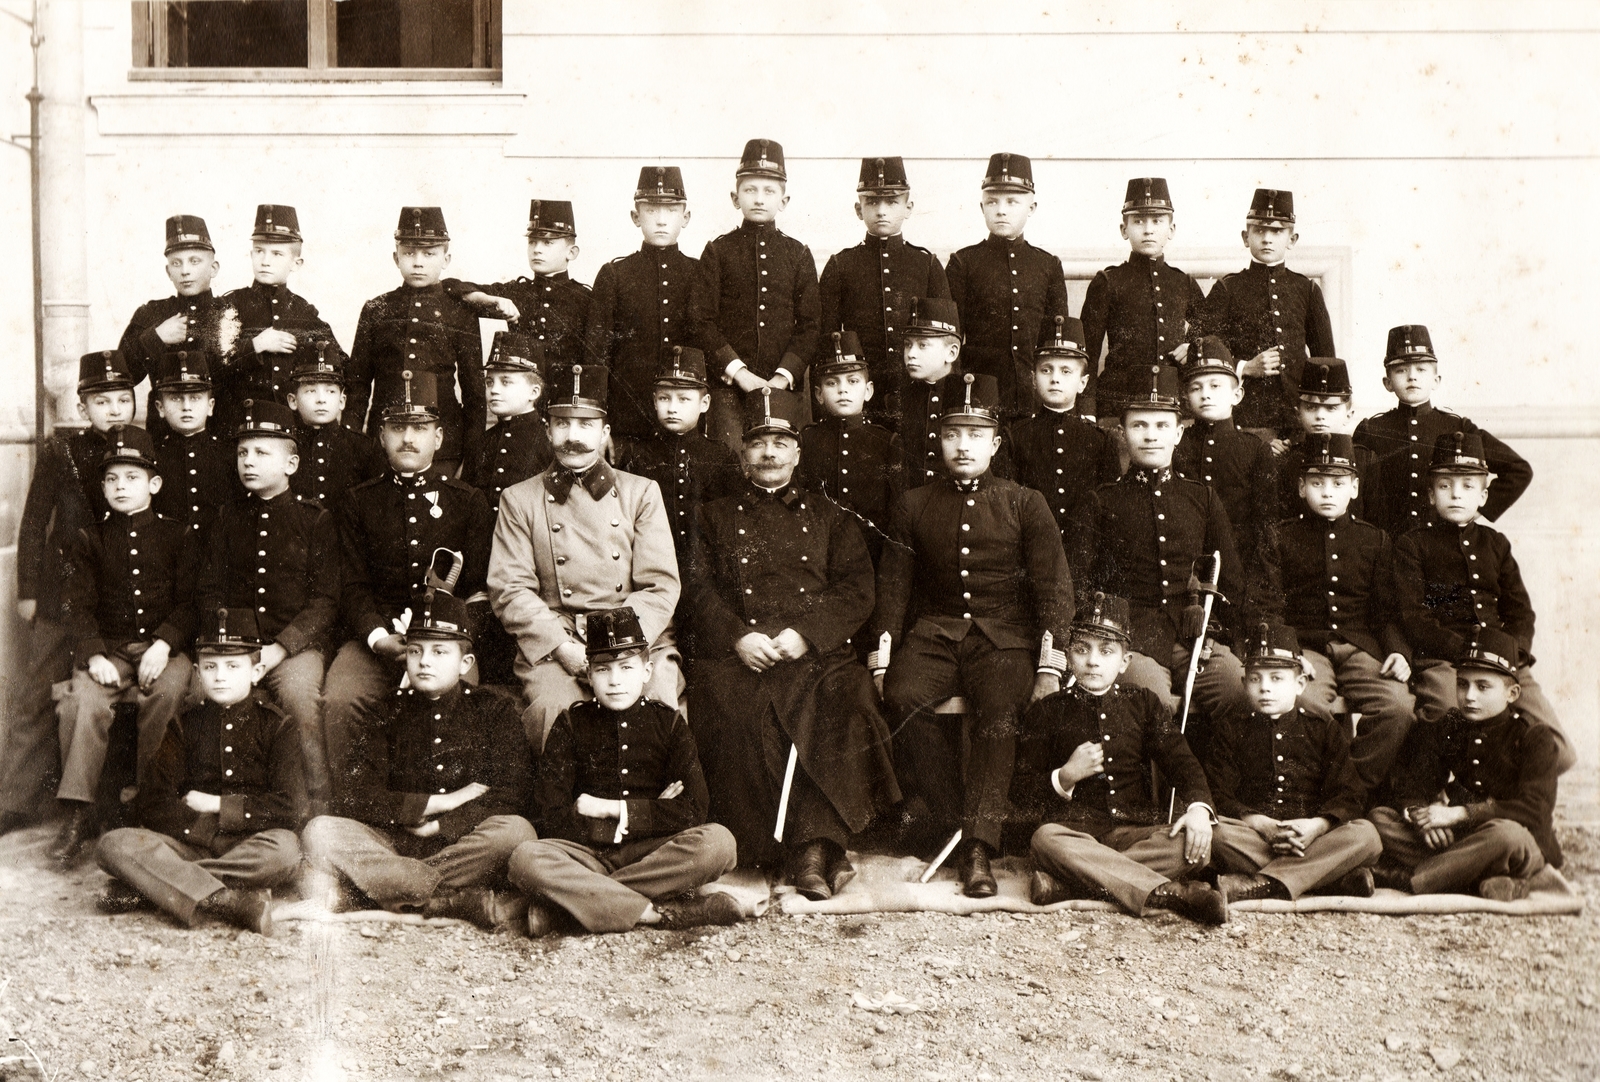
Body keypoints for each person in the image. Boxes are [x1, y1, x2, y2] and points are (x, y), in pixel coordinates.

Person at [685, 389, 900, 900]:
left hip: (815, 653)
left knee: (845, 706)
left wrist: (806, 635)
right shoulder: (713, 516)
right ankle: (788, 851)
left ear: (797, 453)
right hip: (741, 653)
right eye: (758, 443)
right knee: (740, 716)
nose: (769, 454)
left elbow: (856, 589)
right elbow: (695, 587)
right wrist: (738, 637)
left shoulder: (832, 516)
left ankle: (811, 849)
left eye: (780, 442)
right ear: (743, 453)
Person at [874, 374, 1073, 897]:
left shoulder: (1025, 503)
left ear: (995, 443)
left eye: (975, 434)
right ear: (939, 441)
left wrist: (1051, 663)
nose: (963, 445)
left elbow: (1055, 588)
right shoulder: (914, 503)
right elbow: (894, 586)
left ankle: (979, 847)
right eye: (952, 434)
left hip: (1005, 638)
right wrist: (883, 656)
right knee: (901, 695)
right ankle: (955, 821)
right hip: (935, 634)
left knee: (1002, 706)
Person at [303, 588, 536, 929]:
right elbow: (358, 795)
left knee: (517, 832)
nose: (425, 661)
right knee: (319, 831)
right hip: (393, 844)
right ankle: (451, 900)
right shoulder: (384, 711)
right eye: (416, 651)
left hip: (460, 846)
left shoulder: (494, 710)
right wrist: (435, 804)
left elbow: (511, 792)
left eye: (440, 651)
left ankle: (375, 893)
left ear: (465, 663)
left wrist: (446, 825)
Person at [509, 607, 741, 936]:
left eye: (627, 667)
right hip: (587, 855)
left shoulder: (669, 723)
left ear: (647, 670)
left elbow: (693, 809)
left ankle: (569, 909)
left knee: (718, 843)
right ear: (588, 674)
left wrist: (611, 809)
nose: (615, 680)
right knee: (526, 857)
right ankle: (658, 913)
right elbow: (552, 812)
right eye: (603, 669)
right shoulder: (571, 723)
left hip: (654, 854)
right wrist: (653, 812)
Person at [488, 364, 682, 746]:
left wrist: (615, 649)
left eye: (585, 424)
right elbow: (510, 589)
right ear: (547, 430)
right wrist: (565, 648)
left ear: (605, 432)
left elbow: (660, 585)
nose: (572, 437)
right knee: (554, 712)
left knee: (656, 702)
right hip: (558, 639)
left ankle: (651, 807)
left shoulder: (641, 492)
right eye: (562, 424)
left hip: (638, 640)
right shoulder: (518, 498)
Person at [324, 369, 494, 794]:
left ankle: (448, 808)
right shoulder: (359, 501)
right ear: (380, 437)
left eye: (420, 428)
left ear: (438, 437)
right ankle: (355, 807)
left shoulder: (468, 501)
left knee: (457, 702)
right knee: (340, 701)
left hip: (445, 638)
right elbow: (352, 585)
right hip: (377, 636)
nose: (408, 439)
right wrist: (379, 638)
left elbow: (479, 590)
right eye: (397, 427)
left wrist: (444, 643)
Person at [1015, 592, 1229, 924]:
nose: (1093, 661)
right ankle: (1169, 893)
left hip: (1134, 834)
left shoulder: (1144, 703)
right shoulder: (1048, 711)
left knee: (1196, 840)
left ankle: (1075, 883)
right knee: (1044, 840)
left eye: (1106, 651)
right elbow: (1022, 792)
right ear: (1069, 656)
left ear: (1125, 661)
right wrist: (1066, 776)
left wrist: (1199, 809)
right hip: (1076, 835)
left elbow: (1182, 762)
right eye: (1082, 649)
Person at [93, 606, 303, 936]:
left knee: (285, 851)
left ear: (256, 670)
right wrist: (207, 833)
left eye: (233, 666)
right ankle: (229, 900)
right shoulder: (185, 723)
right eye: (210, 667)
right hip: (192, 840)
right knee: (113, 844)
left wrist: (220, 807)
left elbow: (290, 807)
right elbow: (153, 800)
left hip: (251, 844)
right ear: (197, 672)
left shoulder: (278, 726)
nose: (220, 676)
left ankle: (148, 889)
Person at [1083, 365, 1251, 752]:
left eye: (1161, 426)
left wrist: (1232, 641)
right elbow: (1084, 581)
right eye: (1140, 425)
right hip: (1133, 638)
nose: (1151, 435)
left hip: (1196, 635)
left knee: (1239, 691)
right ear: (1123, 433)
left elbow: (1232, 581)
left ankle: (1217, 795)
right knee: (1151, 701)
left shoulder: (1201, 497)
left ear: (1178, 433)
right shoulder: (1102, 500)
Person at [49, 425, 197, 864]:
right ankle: (77, 812)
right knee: (82, 704)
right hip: (108, 650)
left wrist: (164, 644)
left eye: (131, 478)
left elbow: (192, 602)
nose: (120, 487)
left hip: (161, 649)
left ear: (154, 484)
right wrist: (94, 653)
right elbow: (76, 605)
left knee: (167, 694)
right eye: (111, 479)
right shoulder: (88, 538)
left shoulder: (179, 535)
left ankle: (149, 804)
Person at [2, 351, 136, 836]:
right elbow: (36, 521)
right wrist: (29, 590)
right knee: (39, 692)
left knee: (99, 698)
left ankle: (103, 806)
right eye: (102, 401)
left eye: (123, 399)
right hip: (62, 596)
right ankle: (16, 800)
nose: (114, 410)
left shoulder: (142, 449)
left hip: (117, 600)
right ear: (83, 408)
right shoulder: (62, 454)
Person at [1393, 432, 1574, 771]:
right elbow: (1414, 617)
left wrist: (1512, 653)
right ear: (1431, 494)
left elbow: (1520, 610)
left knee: (1557, 750)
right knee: (1446, 715)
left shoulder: (1496, 543)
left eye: (1467, 485)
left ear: (1483, 494)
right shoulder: (1412, 545)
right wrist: (1464, 650)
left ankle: (1499, 804)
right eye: (1445, 486)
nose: (1456, 494)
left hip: (1501, 659)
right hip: (1444, 661)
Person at [198, 398, 341, 815]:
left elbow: (325, 601)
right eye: (243, 452)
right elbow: (209, 590)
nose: (249, 461)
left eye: (262, 452)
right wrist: (231, 648)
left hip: (293, 648)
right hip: (233, 647)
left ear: (291, 464)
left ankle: (316, 811)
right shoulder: (226, 517)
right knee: (197, 695)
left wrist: (281, 647)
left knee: (299, 698)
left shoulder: (314, 520)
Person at [1256, 433, 1417, 792]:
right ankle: (1313, 794)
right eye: (1317, 482)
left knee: (1397, 708)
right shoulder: (1280, 536)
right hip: (1306, 648)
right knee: (1302, 703)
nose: (1327, 492)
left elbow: (1387, 611)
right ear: (1300, 487)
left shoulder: (1375, 540)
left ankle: (1349, 790)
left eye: (1338, 482)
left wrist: (1398, 652)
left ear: (1355, 487)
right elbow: (1267, 606)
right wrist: (1289, 654)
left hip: (1361, 646)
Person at [1369, 628, 1563, 900]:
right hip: (1463, 841)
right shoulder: (1451, 726)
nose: (1469, 696)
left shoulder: (1535, 737)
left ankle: (1409, 880)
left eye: (1483, 687)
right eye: (1462, 684)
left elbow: (1534, 810)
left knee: (1504, 835)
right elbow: (1415, 782)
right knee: (1381, 819)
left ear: (1512, 693)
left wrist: (1460, 814)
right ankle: (1474, 880)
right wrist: (1421, 816)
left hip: (1517, 842)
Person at [1207, 623, 1383, 903]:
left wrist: (1317, 827)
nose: (1265, 688)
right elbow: (1219, 793)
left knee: (1368, 836)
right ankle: (1327, 879)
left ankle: (1262, 883)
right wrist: (1261, 824)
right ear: (1243, 683)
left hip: (1310, 838)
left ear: (1299, 683)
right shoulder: (1230, 725)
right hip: (1254, 838)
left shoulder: (1321, 725)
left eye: (1277, 679)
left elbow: (1349, 793)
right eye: (1255, 679)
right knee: (1216, 836)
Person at [692, 139, 821, 449]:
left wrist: (782, 377)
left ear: (784, 200)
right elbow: (702, 320)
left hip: (786, 390)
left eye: (769, 191)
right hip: (729, 391)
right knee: (734, 465)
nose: (760, 199)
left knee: (782, 462)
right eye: (750, 190)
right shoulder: (718, 251)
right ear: (736, 198)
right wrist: (740, 374)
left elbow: (810, 325)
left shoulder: (798, 254)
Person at [1353, 325, 1532, 538]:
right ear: (1388, 383)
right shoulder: (1371, 430)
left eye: (1421, 370)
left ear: (1436, 380)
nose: (1412, 377)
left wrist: (1478, 509)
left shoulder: (1457, 428)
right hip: (1387, 545)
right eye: (1401, 370)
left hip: (1442, 546)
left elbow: (1519, 470)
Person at [347, 206, 484, 475]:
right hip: (383, 443)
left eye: (429, 253)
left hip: (444, 448)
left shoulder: (459, 310)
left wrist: (472, 456)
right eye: (409, 253)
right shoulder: (376, 308)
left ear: (446, 259)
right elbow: (358, 385)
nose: (418, 262)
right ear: (396, 258)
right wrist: (353, 444)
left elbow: (474, 391)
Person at [816, 156, 951, 430]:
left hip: (917, 393)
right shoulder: (841, 265)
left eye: (892, 202)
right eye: (872, 202)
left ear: (908, 207)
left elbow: (946, 340)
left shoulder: (926, 265)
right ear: (858, 209)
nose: (881, 211)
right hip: (859, 397)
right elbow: (825, 343)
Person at [1196, 189, 1335, 439]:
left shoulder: (1307, 289)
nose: (1267, 238)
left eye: (1277, 231)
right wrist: (1244, 367)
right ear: (1245, 237)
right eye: (1259, 230)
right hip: (1246, 419)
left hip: (1299, 420)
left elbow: (1326, 360)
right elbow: (1202, 349)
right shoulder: (1228, 288)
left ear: (1292, 240)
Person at [585, 166, 709, 443]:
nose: (661, 220)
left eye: (672, 210)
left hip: (687, 421)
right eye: (651, 210)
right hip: (627, 418)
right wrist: (597, 422)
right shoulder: (615, 274)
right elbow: (596, 355)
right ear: (635, 216)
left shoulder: (700, 273)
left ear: (686, 217)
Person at [945, 153, 1069, 421]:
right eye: (992, 202)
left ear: (1031, 208)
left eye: (1013, 201)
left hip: (1032, 398)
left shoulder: (1047, 265)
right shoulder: (963, 263)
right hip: (977, 394)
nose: (1001, 210)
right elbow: (950, 342)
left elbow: (1056, 342)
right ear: (982, 208)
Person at [1079, 180, 1207, 419]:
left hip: (1173, 401)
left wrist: (1193, 346)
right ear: (1124, 229)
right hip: (1118, 403)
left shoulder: (1183, 282)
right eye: (1138, 221)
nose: (1148, 230)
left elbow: (1211, 329)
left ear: (1171, 229)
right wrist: (1087, 411)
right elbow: (1089, 353)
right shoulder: (1108, 281)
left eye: (1157, 221)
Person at [1007, 316, 1121, 580]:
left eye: (1066, 371)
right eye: (1046, 370)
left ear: (1082, 382)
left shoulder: (1101, 441)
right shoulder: (1015, 437)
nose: (1055, 379)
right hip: (1029, 563)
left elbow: (1108, 516)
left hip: (1084, 566)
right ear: (1033, 378)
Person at [218, 204, 348, 430]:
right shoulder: (230, 305)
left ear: (295, 263)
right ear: (251, 255)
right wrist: (255, 345)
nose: (265, 261)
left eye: (277, 253)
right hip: (240, 427)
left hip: (293, 431)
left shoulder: (303, 311)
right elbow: (210, 365)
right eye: (259, 251)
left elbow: (341, 365)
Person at [616, 345, 742, 564]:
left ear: (705, 404)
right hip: (650, 563)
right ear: (654, 401)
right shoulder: (637, 454)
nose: (672, 408)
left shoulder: (720, 456)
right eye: (665, 398)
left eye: (683, 399)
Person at [1172, 336, 1277, 585]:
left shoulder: (1255, 450)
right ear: (1186, 397)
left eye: (1215, 386)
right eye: (1196, 388)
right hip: (1185, 570)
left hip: (1239, 570)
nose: (1205, 394)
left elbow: (1265, 529)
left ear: (1237, 395)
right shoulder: (1176, 445)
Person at [797, 330, 903, 569]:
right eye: (831, 383)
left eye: (853, 381)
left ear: (868, 391)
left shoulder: (887, 442)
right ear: (818, 395)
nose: (842, 390)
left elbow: (896, 523)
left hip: (872, 559)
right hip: (819, 560)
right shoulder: (806, 441)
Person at [446, 199, 591, 373]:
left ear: (571, 252)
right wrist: (491, 300)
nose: (536, 249)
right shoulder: (515, 292)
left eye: (547, 242)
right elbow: (450, 287)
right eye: (532, 242)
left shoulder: (586, 299)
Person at [117, 216, 229, 441]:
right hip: (162, 439)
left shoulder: (231, 313)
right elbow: (122, 376)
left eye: (195, 261)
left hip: (221, 437)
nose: (185, 271)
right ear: (168, 272)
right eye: (177, 263)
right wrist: (155, 338)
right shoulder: (151, 314)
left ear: (214, 268)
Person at [148, 348, 240, 542]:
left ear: (211, 406)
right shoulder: (151, 459)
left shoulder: (231, 455)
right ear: (160, 408)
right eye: (175, 398)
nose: (186, 406)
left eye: (196, 398)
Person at [285, 343, 386, 510]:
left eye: (330, 391)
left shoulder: (364, 448)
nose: (321, 399)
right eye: (311, 391)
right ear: (293, 401)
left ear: (342, 401)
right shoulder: (285, 447)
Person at [463, 330, 554, 514]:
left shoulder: (548, 440)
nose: (494, 390)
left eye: (506, 382)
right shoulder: (482, 441)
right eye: (489, 382)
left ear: (534, 392)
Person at [1272, 359, 1373, 521]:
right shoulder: (1289, 458)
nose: (1320, 416)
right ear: (1298, 414)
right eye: (1311, 407)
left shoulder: (1364, 459)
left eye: (1331, 408)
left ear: (1349, 415)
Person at [895, 297, 967, 488]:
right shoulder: (897, 401)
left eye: (922, 345)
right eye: (907, 344)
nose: (910, 353)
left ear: (951, 353)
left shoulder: (968, 397)